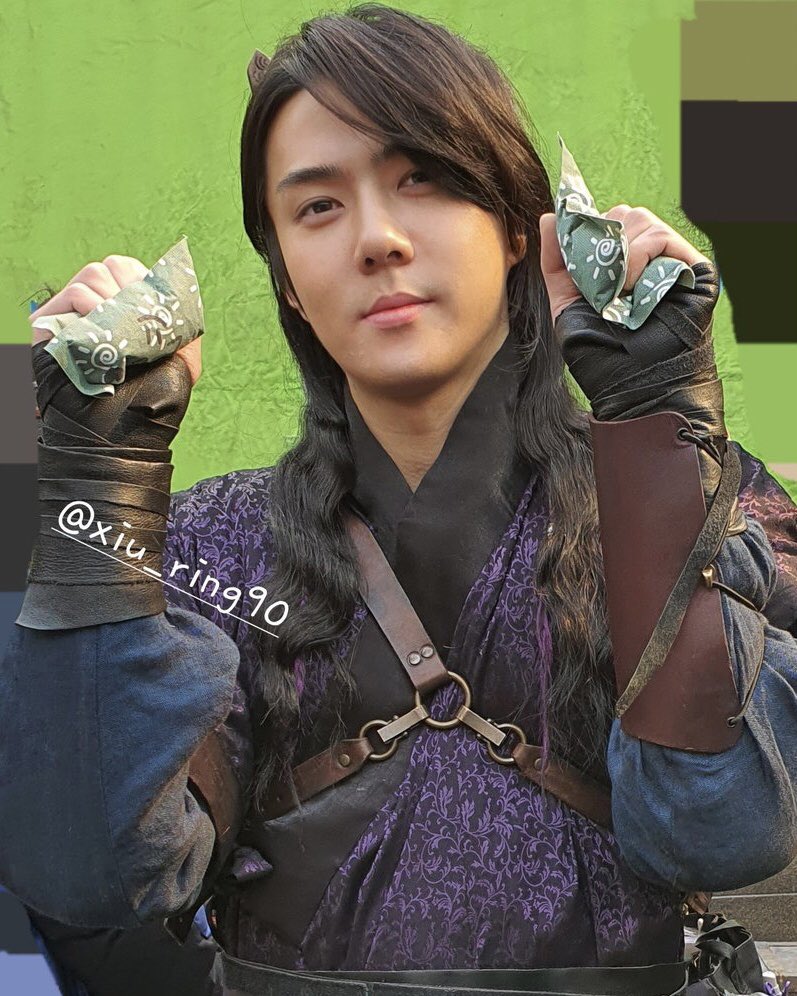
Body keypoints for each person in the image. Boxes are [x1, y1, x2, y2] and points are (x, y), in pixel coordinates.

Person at [1, 4, 796, 994]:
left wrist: (659, 424)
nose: (376, 238)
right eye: (316, 207)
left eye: (423, 178)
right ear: (288, 282)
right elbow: (83, 872)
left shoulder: (700, 499)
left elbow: (720, 832)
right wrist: (100, 476)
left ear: (517, 229)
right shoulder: (209, 546)